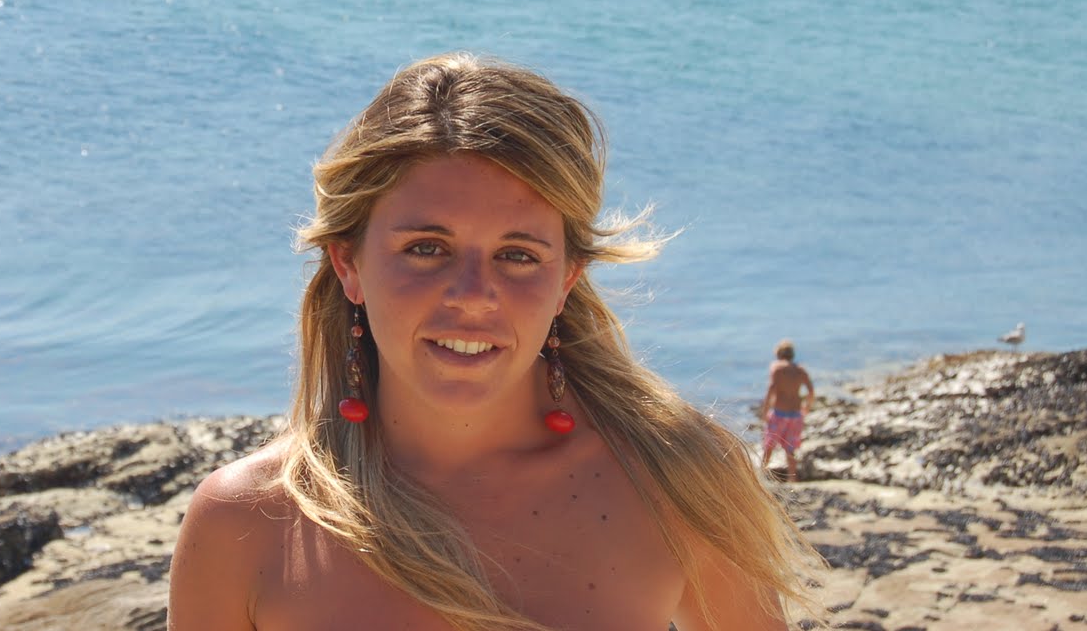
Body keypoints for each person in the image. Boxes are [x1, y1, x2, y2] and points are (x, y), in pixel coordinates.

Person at [169, 53, 823, 630]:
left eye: (517, 255)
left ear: (567, 280)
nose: (473, 294)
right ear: (349, 264)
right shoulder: (244, 523)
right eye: (426, 248)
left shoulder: (676, 480)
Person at [760, 340, 815, 484]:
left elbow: (771, 389)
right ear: (792, 354)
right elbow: (811, 391)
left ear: (778, 354)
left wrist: (765, 411)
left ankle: (761, 476)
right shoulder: (800, 370)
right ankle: (792, 478)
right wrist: (807, 407)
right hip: (796, 415)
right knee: (790, 449)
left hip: (779, 414)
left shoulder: (777, 368)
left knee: (769, 446)